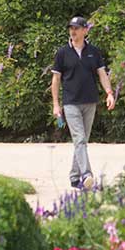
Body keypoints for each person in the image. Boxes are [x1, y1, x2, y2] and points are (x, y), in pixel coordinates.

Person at [50, 15, 115, 189]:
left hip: (90, 102)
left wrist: (109, 93)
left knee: (82, 141)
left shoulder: (94, 51)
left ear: (85, 30)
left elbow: (102, 74)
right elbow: (56, 80)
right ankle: (87, 175)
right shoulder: (62, 53)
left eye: (77, 28)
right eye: (71, 28)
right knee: (79, 140)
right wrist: (56, 104)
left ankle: (74, 177)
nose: (73, 31)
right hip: (70, 103)